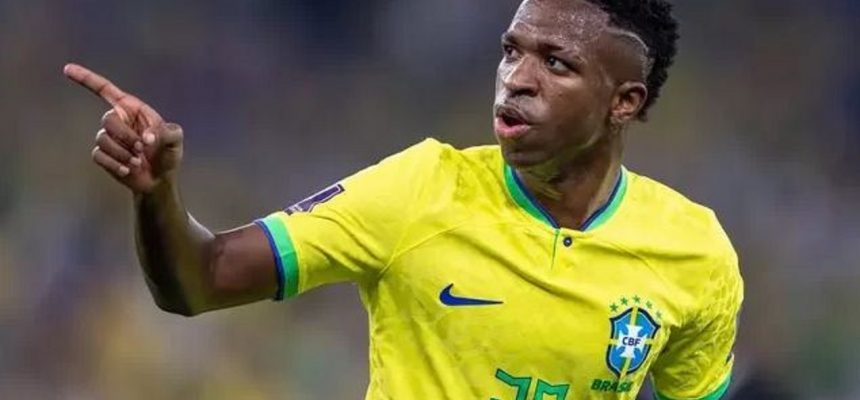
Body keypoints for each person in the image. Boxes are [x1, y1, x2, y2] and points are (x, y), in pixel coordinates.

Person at [64, 0, 743, 398]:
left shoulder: (694, 254)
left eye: (555, 63)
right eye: (511, 52)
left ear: (624, 102)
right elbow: (201, 280)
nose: (516, 79)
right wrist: (157, 195)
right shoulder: (420, 190)